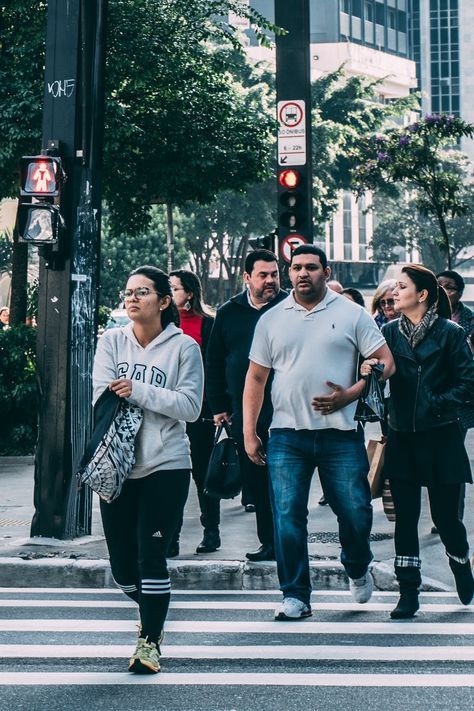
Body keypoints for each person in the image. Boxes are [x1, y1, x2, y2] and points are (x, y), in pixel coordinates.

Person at [243, 245, 395, 619]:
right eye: (296, 268)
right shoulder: (271, 319)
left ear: (326, 272)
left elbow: (386, 363)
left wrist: (352, 394)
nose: (303, 274)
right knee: (288, 516)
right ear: (289, 272)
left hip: (340, 435)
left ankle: (357, 566)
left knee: (356, 512)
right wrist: (249, 432)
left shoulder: (352, 314)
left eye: (311, 267)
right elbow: (256, 379)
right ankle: (295, 595)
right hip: (286, 435)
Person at [92, 265, 203, 674]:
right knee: (123, 568)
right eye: (128, 291)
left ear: (163, 301)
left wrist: (137, 390)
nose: (132, 297)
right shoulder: (111, 341)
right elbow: (102, 396)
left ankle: (149, 641)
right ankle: (154, 608)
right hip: (117, 466)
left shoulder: (183, 348)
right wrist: (144, 395)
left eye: (142, 291)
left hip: (167, 463)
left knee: (150, 556)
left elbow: (190, 407)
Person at [361, 265, 474, 619]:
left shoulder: (451, 334)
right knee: (405, 519)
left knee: (446, 518)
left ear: (422, 294)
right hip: (402, 437)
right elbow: (377, 376)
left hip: (442, 436)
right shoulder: (388, 333)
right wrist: (369, 371)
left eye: (402, 287)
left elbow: (467, 383)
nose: (394, 292)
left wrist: (435, 404)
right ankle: (408, 591)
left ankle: (460, 563)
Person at [205, 248, 287, 562]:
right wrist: (219, 406)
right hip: (246, 413)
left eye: (275, 274)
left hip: (287, 410)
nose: (270, 281)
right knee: (256, 481)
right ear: (247, 278)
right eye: (263, 275)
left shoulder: (290, 306)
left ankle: (288, 543)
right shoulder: (229, 312)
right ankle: (268, 542)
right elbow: (214, 362)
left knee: (286, 482)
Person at [168, 269, 218, 555]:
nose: (169, 293)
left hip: (202, 411)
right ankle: (170, 537)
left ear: (189, 292)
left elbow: (214, 369)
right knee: (172, 474)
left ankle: (211, 531)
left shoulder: (208, 324)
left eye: (174, 288)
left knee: (202, 473)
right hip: (169, 411)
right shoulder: (162, 326)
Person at [437, 270, 474, 350]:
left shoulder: (471, 319)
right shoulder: (422, 315)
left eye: (449, 288)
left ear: (460, 294)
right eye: (438, 287)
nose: (442, 291)